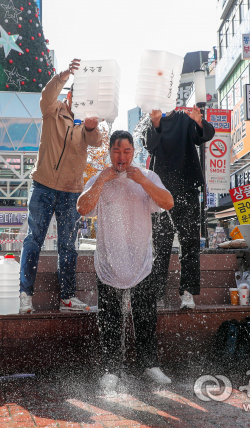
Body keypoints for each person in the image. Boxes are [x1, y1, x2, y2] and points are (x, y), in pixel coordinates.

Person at [77, 130, 174, 391]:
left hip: (141, 260)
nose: (122, 157)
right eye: (117, 151)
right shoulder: (101, 177)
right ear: (109, 152)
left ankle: (150, 365)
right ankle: (111, 370)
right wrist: (101, 181)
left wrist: (142, 181)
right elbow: (82, 208)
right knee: (109, 319)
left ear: (134, 152)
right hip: (109, 262)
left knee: (145, 316)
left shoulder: (147, 176)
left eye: (127, 151)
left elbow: (168, 202)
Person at [19, 59, 103, 314]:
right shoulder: (53, 110)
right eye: (79, 99)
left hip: (71, 191)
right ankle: (25, 294)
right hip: (43, 185)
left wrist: (91, 126)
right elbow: (46, 95)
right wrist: (65, 74)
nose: (82, 105)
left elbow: (97, 141)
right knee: (34, 240)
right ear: (70, 96)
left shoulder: (87, 125)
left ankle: (67, 298)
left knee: (68, 245)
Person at [145, 106, 215, 309]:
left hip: (187, 187)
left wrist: (199, 121)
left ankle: (187, 293)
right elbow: (149, 144)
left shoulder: (185, 119)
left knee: (190, 242)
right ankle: (157, 294)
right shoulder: (148, 119)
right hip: (160, 191)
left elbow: (206, 135)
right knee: (160, 244)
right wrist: (156, 122)